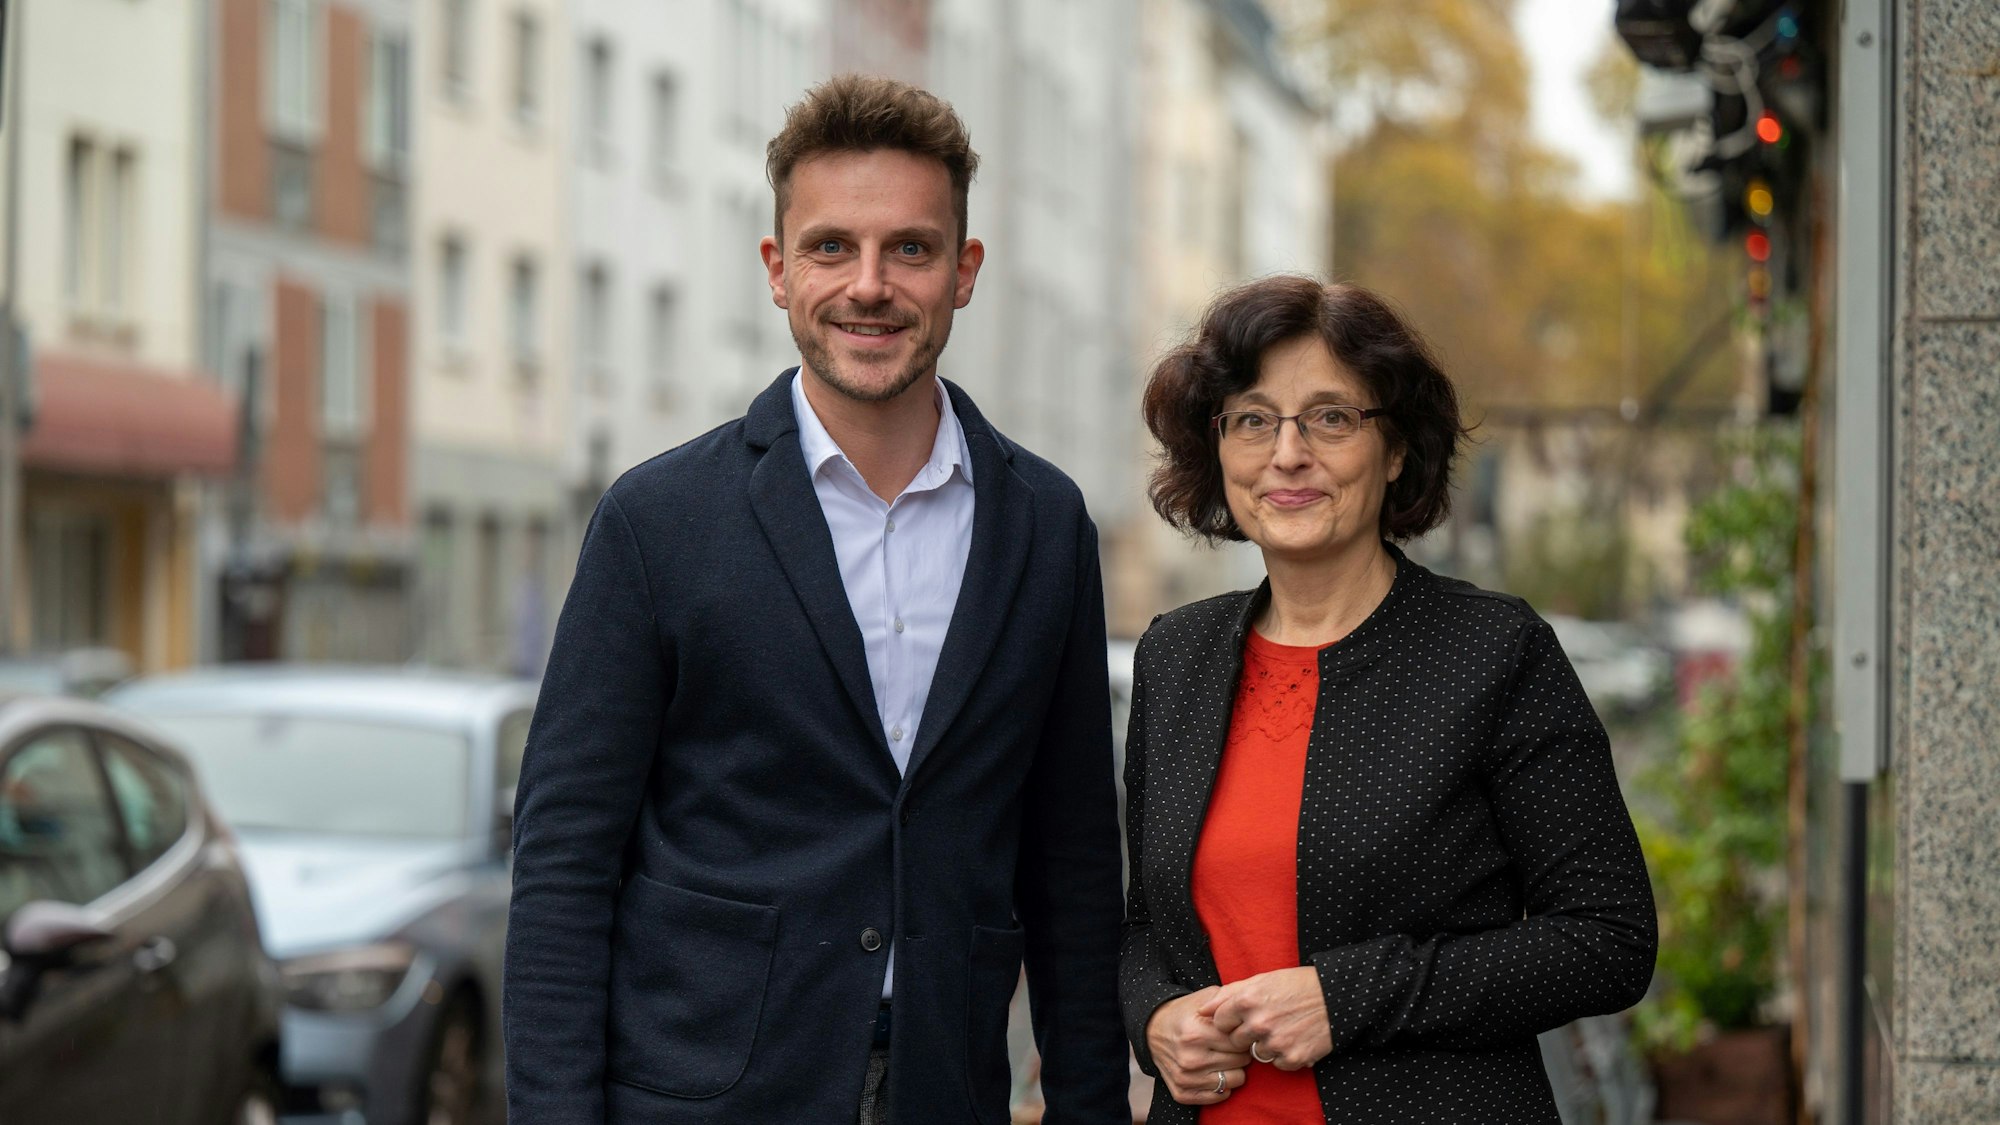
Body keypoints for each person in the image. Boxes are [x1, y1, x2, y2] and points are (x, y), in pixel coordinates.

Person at [504, 75, 1132, 1125]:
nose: (869, 285)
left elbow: (1070, 865)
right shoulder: (656, 521)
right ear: (776, 270)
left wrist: (1087, 1106)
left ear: (964, 271)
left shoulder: (1043, 526)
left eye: (911, 249)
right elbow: (566, 861)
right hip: (700, 1097)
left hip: (946, 1089)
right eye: (831, 247)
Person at [1119, 275, 1657, 1123]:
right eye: (1253, 419)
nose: (1287, 453)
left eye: (1330, 417)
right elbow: (1148, 924)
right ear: (1217, 449)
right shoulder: (1174, 656)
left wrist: (1349, 995)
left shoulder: (1492, 654)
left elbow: (1608, 938)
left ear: (1397, 448)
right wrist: (1152, 1014)